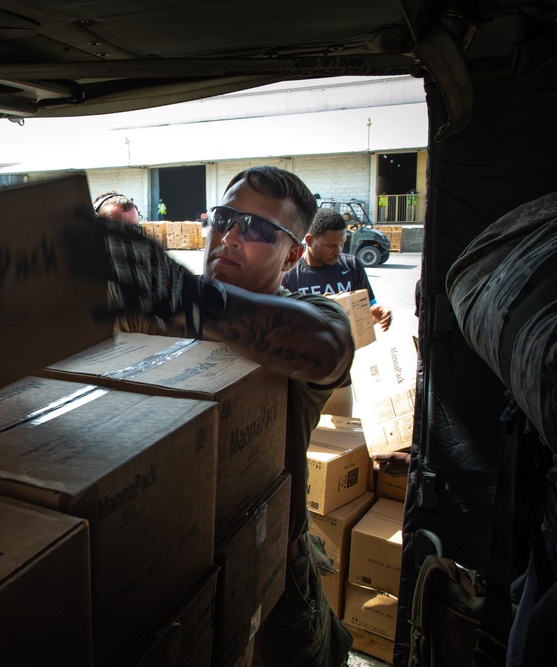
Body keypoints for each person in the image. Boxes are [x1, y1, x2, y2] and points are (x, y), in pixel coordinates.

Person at [92, 165, 355, 667]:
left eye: (257, 229)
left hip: (274, 569)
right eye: (224, 218)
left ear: (294, 253)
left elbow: (327, 347)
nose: (231, 236)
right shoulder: (161, 309)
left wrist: (186, 300)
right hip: (170, 571)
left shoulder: (310, 319)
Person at [281, 206, 393, 332]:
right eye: (331, 246)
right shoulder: (288, 274)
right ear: (310, 240)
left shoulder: (353, 266)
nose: (338, 252)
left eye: (342, 244)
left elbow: (369, 307)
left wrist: (376, 313)